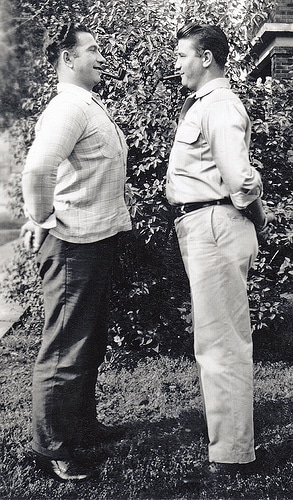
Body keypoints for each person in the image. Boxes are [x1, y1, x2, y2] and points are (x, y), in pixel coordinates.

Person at [20, 23, 131, 481]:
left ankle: (80, 427)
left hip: (93, 241)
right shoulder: (68, 106)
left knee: (86, 344)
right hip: (71, 244)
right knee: (66, 347)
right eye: (92, 49)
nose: (101, 56)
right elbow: (38, 170)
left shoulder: (84, 103)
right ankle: (55, 448)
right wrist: (43, 219)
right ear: (68, 59)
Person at [166, 22, 274, 480]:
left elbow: (239, 177)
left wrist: (259, 216)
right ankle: (228, 440)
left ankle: (232, 454)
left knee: (222, 343)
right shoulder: (206, 104)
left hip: (215, 222)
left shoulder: (220, 105)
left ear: (206, 57)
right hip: (205, 223)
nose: (177, 64)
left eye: (183, 55)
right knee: (215, 340)